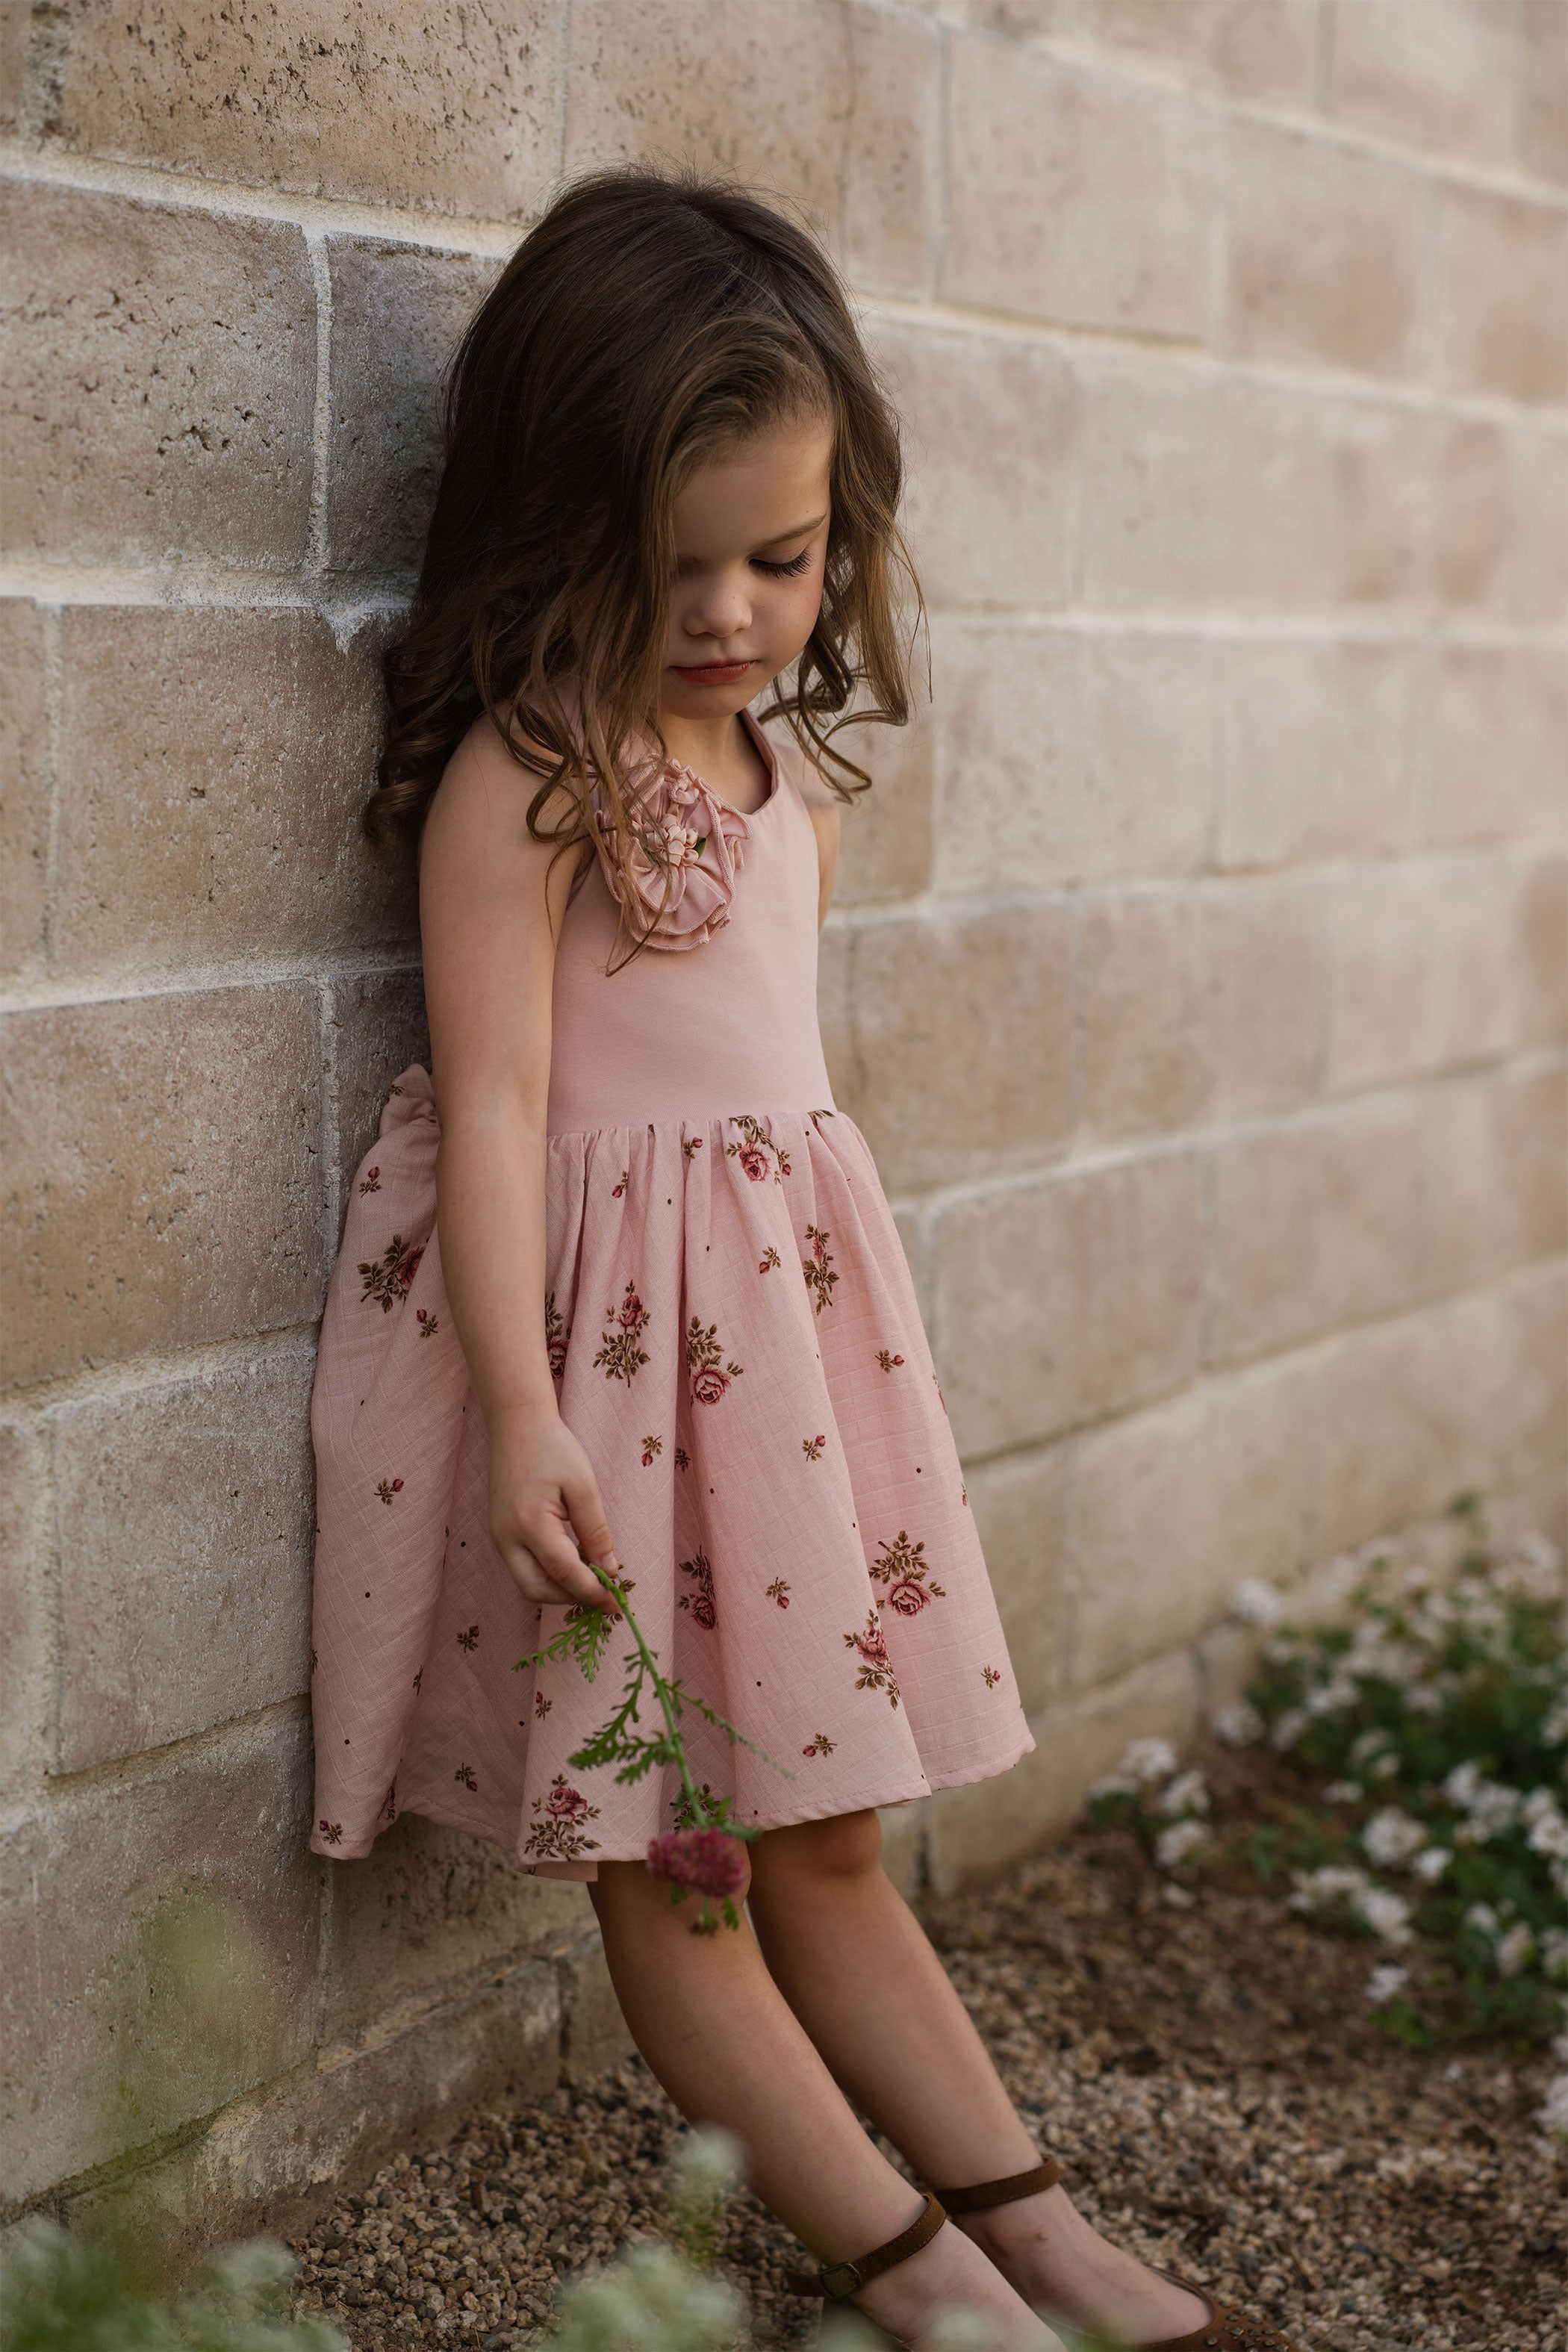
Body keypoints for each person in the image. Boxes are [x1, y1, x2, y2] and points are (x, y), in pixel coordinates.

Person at [308, 168, 1296, 2352]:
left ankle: (1032, 2222)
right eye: (680, 567)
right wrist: (524, 1408)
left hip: (776, 1367)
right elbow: (488, 1107)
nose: (740, 610)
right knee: (681, 1854)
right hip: (601, 1382)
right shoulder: (529, 783)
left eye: (786, 555)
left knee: (833, 1825)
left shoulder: (787, 779)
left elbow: (770, 1111)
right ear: (559, 520)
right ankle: (917, 2279)